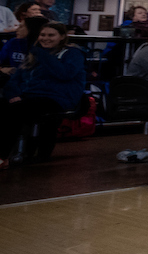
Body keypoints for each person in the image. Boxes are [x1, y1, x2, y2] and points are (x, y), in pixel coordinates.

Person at [0, 21, 85, 169]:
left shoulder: (72, 54)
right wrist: (13, 94)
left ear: (62, 37)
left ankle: (3, 156)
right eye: (42, 35)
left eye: (51, 35)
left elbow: (65, 74)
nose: (46, 38)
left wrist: (41, 53)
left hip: (57, 98)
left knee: (18, 110)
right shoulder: (33, 56)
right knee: (4, 105)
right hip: (29, 96)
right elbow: (15, 80)